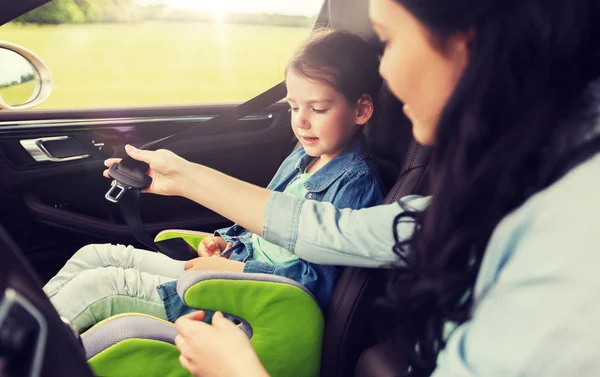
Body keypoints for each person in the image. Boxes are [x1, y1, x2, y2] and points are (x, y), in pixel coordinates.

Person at [109, 0, 600, 376]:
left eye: (388, 40)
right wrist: (185, 177)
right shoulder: (512, 179)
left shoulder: (571, 248)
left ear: (466, 45)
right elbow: (338, 231)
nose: (384, 70)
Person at [42, 29, 387, 331]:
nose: (302, 122)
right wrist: (224, 242)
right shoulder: (303, 156)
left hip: (249, 300)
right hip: (231, 268)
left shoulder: (356, 184)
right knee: (94, 256)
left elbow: (315, 285)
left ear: (361, 110)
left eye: (319, 109)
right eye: (294, 107)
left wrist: (234, 268)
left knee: (98, 287)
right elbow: (261, 224)